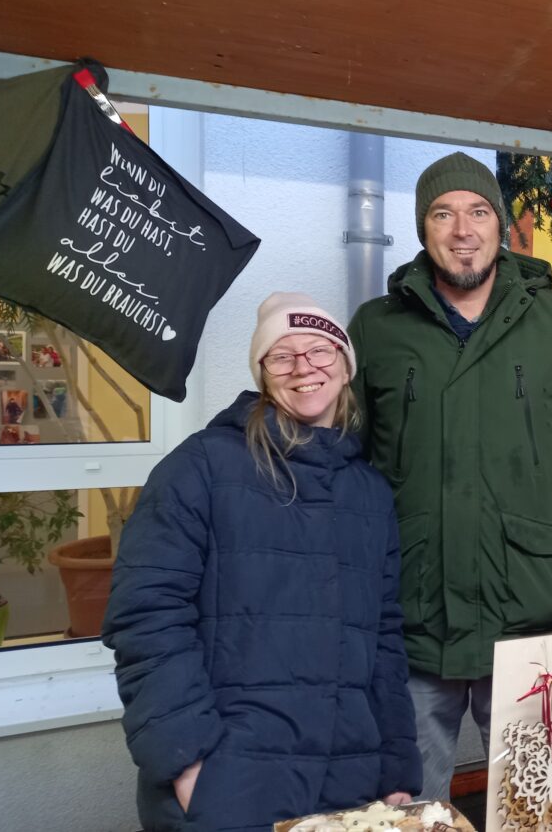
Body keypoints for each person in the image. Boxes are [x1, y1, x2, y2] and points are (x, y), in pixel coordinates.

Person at [349, 152, 552, 800]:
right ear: (423, 228)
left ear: (500, 224)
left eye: (478, 211)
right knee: (406, 812)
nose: (463, 229)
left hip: (530, 622)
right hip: (414, 630)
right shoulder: (378, 329)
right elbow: (345, 466)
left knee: (541, 807)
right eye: (443, 213)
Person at [103, 292, 422, 832]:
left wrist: (396, 767)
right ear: (261, 372)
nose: (304, 368)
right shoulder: (200, 467)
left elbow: (384, 639)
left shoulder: (368, 491)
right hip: (231, 781)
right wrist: (188, 765)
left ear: (345, 368)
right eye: (282, 355)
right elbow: (146, 617)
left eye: (321, 351)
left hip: (351, 781)